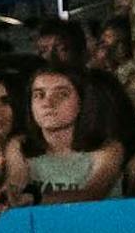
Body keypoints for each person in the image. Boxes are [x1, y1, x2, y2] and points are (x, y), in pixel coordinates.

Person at [12, 65, 127, 205]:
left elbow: (92, 194)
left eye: (61, 94)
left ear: (82, 102)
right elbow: (15, 185)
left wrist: (35, 198)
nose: (48, 103)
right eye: (39, 95)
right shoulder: (19, 145)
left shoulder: (109, 148)